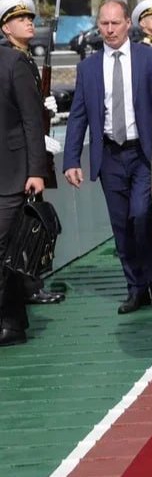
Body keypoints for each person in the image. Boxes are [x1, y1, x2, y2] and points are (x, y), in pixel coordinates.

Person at [63, 0, 152, 314]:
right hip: (109, 155)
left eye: (115, 23)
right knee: (121, 225)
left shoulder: (151, 59)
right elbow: (78, 115)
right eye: (104, 24)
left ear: (127, 24)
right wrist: (71, 160)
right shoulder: (88, 68)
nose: (109, 30)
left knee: (141, 216)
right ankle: (135, 288)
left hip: (143, 153)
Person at [0, 0, 62, 305]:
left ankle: (29, 287)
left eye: (29, 17)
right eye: (19, 18)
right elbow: (26, 120)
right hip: (17, 165)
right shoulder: (15, 61)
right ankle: (23, 293)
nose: (28, 22)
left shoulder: (21, 58)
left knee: (26, 231)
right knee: (19, 235)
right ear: (5, 27)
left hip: (20, 162)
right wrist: (36, 168)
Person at [0, 44, 47, 346]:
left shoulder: (13, 62)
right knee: (7, 255)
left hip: (12, 174)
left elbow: (32, 120)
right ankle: (13, 323)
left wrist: (37, 171)